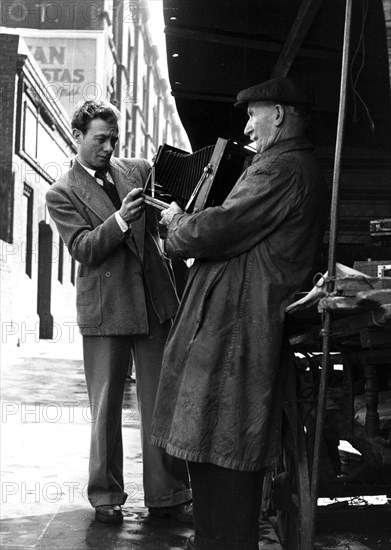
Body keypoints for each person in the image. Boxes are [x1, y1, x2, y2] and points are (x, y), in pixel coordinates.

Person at [151, 77, 329, 549]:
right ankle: (212, 539)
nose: (248, 125)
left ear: (280, 114)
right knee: (212, 441)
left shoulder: (282, 168)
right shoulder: (281, 164)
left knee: (223, 443)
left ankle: (221, 542)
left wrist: (176, 224)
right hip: (232, 319)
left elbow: (220, 229)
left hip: (239, 325)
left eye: (254, 114)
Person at [46, 100, 191, 525]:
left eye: (114, 139)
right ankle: (106, 494)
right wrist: (122, 220)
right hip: (106, 309)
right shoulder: (62, 192)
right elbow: (85, 248)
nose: (109, 147)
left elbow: (173, 202)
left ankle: (167, 493)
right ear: (78, 137)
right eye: (100, 139)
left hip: (152, 304)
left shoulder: (139, 170)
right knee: (106, 407)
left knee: (159, 403)